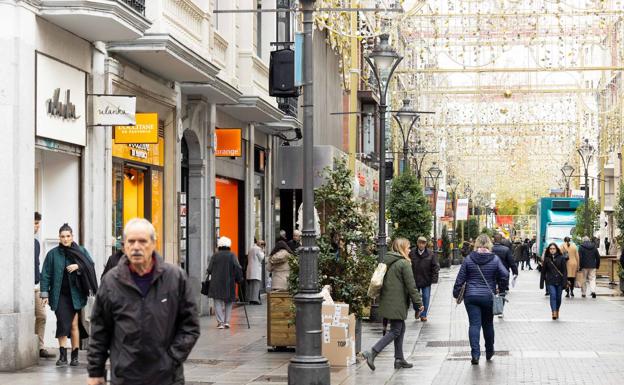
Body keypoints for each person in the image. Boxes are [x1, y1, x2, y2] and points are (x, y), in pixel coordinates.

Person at [87, 218, 200, 385]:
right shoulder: (111, 281)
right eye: (131, 241)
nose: (136, 247)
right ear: (124, 245)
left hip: (166, 377)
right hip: (126, 376)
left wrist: (172, 358)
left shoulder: (175, 278)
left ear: (153, 244)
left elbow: (190, 325)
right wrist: (95, 371)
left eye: (142, 241)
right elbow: (100, 329)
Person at [40, 223, 97, 367]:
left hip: (75, 295)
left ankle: (75, 356)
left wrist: (79, 266)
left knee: (73, 324)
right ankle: (63, 356)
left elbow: (90, 264)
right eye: (62, 236)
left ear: (72, 237)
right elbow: (45, 274)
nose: (65, 239)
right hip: (59, 295)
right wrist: (44, 294)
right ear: (59, 238)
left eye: (68, 236)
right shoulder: (52, 254)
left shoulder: (81, 251)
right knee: (62, 322)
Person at [362, 238, 423, 371]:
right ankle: (372, 352)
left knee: (400, 328)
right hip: (397, 302)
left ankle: (399, 359)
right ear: (401, 248)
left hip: (389, 300)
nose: (409, 250)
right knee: (396, 330)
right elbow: (411, 286)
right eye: (407, 247)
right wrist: (419, 303)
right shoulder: (404, 263)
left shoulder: (388, 260)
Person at [453, 234, 509, 365]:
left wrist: (456, 293)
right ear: (489, 245)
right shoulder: (494, 259)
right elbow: (505, 275)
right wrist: (500, 290)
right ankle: (489, 352)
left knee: (474, 325)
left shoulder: (468, 259)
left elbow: (460, 279)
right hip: (488, 297)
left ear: (476, 245)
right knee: (488, 324)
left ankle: (475, 355)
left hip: (471, 297)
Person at [207, 236, 244, 329]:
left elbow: (209, 269)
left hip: (216, 282)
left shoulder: (215, 255)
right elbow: (238, 267)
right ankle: (227, 321)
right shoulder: (232, 255)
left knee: (217, 301)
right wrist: (239, 278)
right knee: (228, 301)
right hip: (229, 282)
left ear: (219, 245)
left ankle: (220, 322)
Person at [34, 212, 54, 359]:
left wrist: (42, 285)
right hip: (21, 288)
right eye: (35, 223)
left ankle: (39, 347)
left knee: (42, 316)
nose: (37, 227)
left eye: (38, 224)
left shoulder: (36, 244)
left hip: (35, 286)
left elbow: (37, 264)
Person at [409, 236, 439, 322]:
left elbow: (435, 266)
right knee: (415, 298)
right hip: (415, 279)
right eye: (420, 242)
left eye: (423, 243)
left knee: (426, 297)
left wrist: (434, 278)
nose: (421, 245)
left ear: (426, 244)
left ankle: (423, 315)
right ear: (417, 243)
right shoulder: (412, 253)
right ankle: (417, 310)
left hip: (426, 279)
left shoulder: (430, 253)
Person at [539, 243, 568, 320]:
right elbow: (543, 272)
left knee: (558, 297)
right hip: (550, 281)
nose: (552, 250)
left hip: (560, 281)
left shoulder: (561, 258)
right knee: (553, 296)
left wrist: (565, 282)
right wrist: (541, 283)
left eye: (553, 249)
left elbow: (564, 271)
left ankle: (557, 309)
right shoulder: (547, 259)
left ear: (556, 249)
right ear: (549, 250)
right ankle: (554, 312)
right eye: (551, 249)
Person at [492, 233, 517, 310]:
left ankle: (491, 308)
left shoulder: (490, 249)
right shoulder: (506, 249)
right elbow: (511, 262)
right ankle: (500, 309)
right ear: (501, 240)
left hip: (491, 273)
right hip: (503, 273)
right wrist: (515, 272)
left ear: (494, 240)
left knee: (491, 291)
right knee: (502, 291)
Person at [246, 239, 265, 305]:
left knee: (251, 285)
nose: (263, 246)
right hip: (256, 270)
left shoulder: (251, 249)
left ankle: (250, 299)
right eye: (263, 244)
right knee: (256, 285)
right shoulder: (259, 249)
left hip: (250, 269)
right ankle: (255, 299)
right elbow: (261, 258)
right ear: (260, 244)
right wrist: (263, 251)